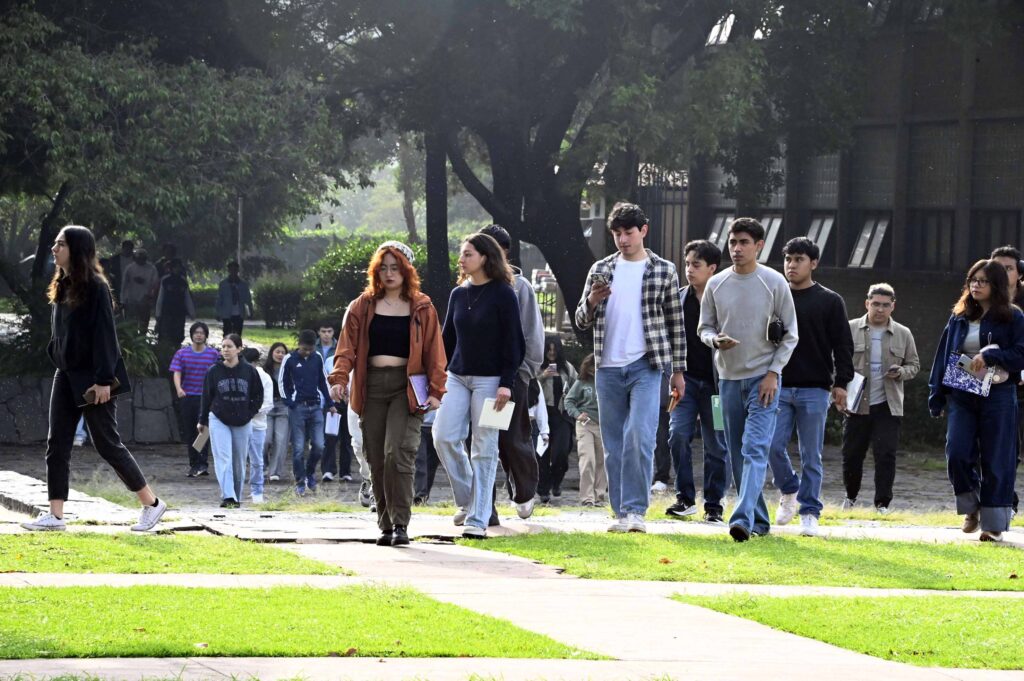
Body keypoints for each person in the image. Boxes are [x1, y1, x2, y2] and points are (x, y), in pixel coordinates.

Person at [21, 225, 166, 532]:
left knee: (107, 444)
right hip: (67, 372)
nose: (53, 248)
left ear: (77, 248)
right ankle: (56, 515)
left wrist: (103, 380)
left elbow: (106, 337)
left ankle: (152, 505)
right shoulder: (62, 283)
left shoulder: (96, 287)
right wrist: (56, 354)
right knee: (56, 442)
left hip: (93, 378)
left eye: (60, 244)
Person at [575, 202, 686, 534]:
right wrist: (592, 300)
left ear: (643, 231)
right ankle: (621, 511)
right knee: (613, 444)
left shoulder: (663, 270)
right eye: (617, 234)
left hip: (646, 365)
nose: (623, 240)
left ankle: (636, 510)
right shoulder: (600, 269)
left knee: (639, 435)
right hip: (606, 367)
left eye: (629, 233)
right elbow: (581, 321)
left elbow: (676, 324)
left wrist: (678, 371)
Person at [329, 240, 448, 546]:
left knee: (399, 454)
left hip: (406, 387)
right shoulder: (362, 305)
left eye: (396, 268)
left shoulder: (422, 306)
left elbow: (436, 352)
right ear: (375, 271)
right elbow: (346, 348)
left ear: (407, 271)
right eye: (384, 268)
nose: (390, 273)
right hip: (371, 386)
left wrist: (437, 390)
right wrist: (339, 378)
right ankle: (384, 524)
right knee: (377, 459)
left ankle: (401, 523)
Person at [698, 217, 798, 543]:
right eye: (732, 242)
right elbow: (704, 328)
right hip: (727, 378)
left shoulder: (774, 282)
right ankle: (760, 521)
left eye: (744, 242)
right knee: (738, 455)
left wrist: (773, 373)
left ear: (759, 246)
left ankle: (740, 518)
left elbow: (790, 336)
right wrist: (716, 341)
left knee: (754, 449)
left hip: (763, 379)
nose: (737, 248)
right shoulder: (716, 284)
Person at [433, 233, 526, 539]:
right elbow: (446, 341)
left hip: (492, 382)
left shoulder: (504, 294)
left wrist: (506, 383)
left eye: (467, 254)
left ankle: (478, 518)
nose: (461, 259)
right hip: (457, 377)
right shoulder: (458, 294)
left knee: (484, 448)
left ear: (485, 257)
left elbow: (515, 343)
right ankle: (470, 499)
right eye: (462, 254)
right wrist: (436, 377)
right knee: (443, 436)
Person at [928, 260, 1024, 542]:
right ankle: (972, 508)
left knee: (997, 458)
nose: (976, 285)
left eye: (983, 280)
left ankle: (993, 525)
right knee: (957, 452)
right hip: (963, 391)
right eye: (973, 279)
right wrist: (937, 393)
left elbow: (1021, 353)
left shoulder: (1013, 317)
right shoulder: (958, 317)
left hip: (999, 394)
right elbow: (943, 355)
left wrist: (993, 354)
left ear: (995, 285)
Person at [766, 237, 854, 537]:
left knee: (811, 454)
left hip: (816, 387)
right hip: (778, 384)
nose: (791, 265)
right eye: (788, 259)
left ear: (813, 263)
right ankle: (790, 488)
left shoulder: (830, 300)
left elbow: (843, 344)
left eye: (799, 259)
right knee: (771, 445)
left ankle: (809, 511)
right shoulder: (775, 297)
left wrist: (841, 383)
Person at [478, 224, 546, 520]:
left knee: (510, 439)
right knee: (483, 442)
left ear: (504, 252)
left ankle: (524, 491)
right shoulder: (471, 286)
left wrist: (523, 373)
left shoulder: (519, 288)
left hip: (510, 377)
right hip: (477, 377)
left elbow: (533, 333)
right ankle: (483, 506)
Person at [666, 240, 729, 523]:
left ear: (712, 268)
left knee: (716, 444)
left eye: (696, 265)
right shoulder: (678, 299)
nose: (689, 270)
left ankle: (713, 505)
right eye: (687, 263)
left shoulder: (725, 300)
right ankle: (685, 498)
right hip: (685, 381)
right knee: (677, 434)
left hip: (717, 386)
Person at [842, 283, 920, 512]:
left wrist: (901, 372)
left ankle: (882, 503)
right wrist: (837, 391)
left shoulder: (903, 333)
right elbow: (836, 362)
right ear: (867, 303)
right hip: (857, 402)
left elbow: (914, 364)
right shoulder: (850, 328)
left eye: (885, 305)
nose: (880, 309)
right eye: (875, 304)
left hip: (888, 402)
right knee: (852, 454)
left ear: (893, 307)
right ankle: (850, 497)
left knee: (886, 454)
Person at [198, 334, 263, 507]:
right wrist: (202, 420)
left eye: (229, 346)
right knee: (223, 458)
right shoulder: (214, 370)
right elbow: (206, 396)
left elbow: (258, 395)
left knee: (239, 462)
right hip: (218, 418)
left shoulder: (249, 371)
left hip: (243, 419)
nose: (225, 350)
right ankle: (228, 496)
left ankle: (236, 496)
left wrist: (250, 413)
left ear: (239, 349)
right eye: (223, 346)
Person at [280, 329, 336, 495]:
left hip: (316, 406)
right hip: (298, 407)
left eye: (310, 349)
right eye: (305, 349)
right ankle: (300, 481)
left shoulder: (317, 357)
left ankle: (309, 472)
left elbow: (323, 381)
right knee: (298, 448)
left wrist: (330, 403)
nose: (307, 352)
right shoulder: (289, 359)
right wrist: (289, 402)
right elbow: (282, 382)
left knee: (319, 445)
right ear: (299, 346)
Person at [989, 245, 1023, 518]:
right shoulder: (979, 302)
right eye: (996, 267)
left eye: (1008, 268)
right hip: (996, 385)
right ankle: (1005, 503)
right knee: (1003, 448)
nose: (1001, 272)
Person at [170, 321, 220, 477]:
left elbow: (218, 374)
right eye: (196, 332)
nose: (199, 335)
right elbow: (177, 372)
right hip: (188, 397)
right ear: (191, 335)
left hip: (206, 399)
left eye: (202, 332)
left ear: (206, 336)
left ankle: (202, 464)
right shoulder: (182, 353)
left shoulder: (213, 354)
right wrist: (179, 389)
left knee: (203, 431)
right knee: (190, 432)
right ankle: (193, 464)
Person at [537, 335, 577, 503]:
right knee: (542, 454)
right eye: (549, 350)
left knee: (562, 451)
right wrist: (543, 375)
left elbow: (577, 387)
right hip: (542, 415)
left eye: (554, 350)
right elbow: (529, 386)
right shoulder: (537, 367)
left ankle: (556, 481)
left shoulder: (567, 368)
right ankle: (543, 490)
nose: (551, 354)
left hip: (562, 415)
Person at [563, 353, 604, 506]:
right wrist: (577, 414)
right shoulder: (581, 382)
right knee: (588, 460)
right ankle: (587, 498)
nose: (594, 369)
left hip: (603, 425)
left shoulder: (608, 382)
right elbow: (569, 401)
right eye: (592, 366)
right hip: (585, 424)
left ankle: (599, 496)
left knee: (602, 461)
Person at [241, 347, 274, 504]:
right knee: (238, 458)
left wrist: (249, 412)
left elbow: (268, 404)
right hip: (239, 422)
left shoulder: (264, 378)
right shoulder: (239, 374)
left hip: (257, 423)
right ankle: (236, 489)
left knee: (256, 459)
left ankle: (257, 490)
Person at [263, 342, 290, 482]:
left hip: (283, 406)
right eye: (277, 352)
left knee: (280, 440)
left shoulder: (289, 369)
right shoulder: (264, 369)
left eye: (283, 352)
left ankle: (275, 472)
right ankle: (264, 466)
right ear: (271, 353)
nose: (280, 355)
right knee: (265, 439)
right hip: (267, 406)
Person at [155, 258, 195, 349]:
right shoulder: (165, 280)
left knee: (178, 335)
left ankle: (176, 351)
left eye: (179, 267)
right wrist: (158, 313)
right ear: (171, 268)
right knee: (165, 334)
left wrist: (192, 312)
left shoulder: (183, 281)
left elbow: (187, 297)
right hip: (167, 312)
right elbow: (160, 298)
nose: (177, 269)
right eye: (175, 267)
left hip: (180, 312)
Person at [120, 248, 160, 335]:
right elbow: (124, 285)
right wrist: (123, 300)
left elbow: (156, 284)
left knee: (144, 324)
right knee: (131, 324)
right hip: (131, 300)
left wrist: (151, 297)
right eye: (139, 258)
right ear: (135, 258)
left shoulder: (151, 268)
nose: (141, 260)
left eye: (143, 258)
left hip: (145, 300)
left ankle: (142, 341)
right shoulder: (130, 268)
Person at [216, 261, 253, 337]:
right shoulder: (223, 284)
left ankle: (237, 347)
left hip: (239, 313)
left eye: (235, 270)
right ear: (228, 271)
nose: (233, 272)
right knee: (227, 332)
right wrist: (218, 313)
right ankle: (226, 346)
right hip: (226, 312)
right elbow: (219, 299)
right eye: (231, 270)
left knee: (238, 333)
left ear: (238, 271)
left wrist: (250, 312)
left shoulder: (243, 285)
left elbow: (248, 299)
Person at [414, 409, 441, 504]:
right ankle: (419, 495)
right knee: (419, 460)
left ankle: (424, 495)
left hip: (439, 426)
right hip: (419, 424)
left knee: (432, 464)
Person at [101, 239, 134, 311]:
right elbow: (109, 271)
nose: (128, 250)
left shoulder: (136, 259)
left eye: (130, 248)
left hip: (133, 287)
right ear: (123, 248)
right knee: (119, 306)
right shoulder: (114, 259)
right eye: (126, 248)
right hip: (118, 285)